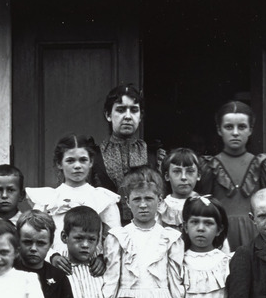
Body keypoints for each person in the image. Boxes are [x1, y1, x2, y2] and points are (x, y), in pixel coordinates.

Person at [102, 166, 185, 298]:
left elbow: (176, 287)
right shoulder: (119, 237)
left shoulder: (170, 237)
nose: (143, 205)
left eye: (149, 199)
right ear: (127, 202)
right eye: (137, 199)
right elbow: (111, 283)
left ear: (160, 201)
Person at [197, 101, 266, 251]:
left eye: (241, 127)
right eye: (229, 127)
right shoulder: (209, 166)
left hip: (256, 236)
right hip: (221, 238)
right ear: (219, 130)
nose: (235, 132)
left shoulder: (263, 165)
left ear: (250, 130)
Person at [24, 133, 121, 260]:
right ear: (59, 163)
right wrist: (52, 256)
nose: (77, 166)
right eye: (70, 160)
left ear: (91, 162)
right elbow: (35, 236)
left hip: (92, 270)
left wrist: (102, 257)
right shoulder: (48, 199)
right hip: (57, 267)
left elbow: (114, 237)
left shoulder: (102, 198)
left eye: (83, 160)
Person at [91, 83, 164, 223]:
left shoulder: (153, 155)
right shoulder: (95, 156)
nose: (128, 116)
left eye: (134, 110)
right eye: (121, 110)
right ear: (108, 115)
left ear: (140, 116)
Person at [14, 210, 81, 298]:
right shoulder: (10, 272)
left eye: (40, 243)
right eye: (27, 242)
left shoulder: (57, 277)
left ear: (50, 244)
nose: (33, 248)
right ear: (18, 241)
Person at [159, 147, 202, 231]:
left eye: (190, 171)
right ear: (167, 176)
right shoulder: (161, 208)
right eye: (177, 171)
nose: (183, 177)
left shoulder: (205, 205)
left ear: (198, 176)